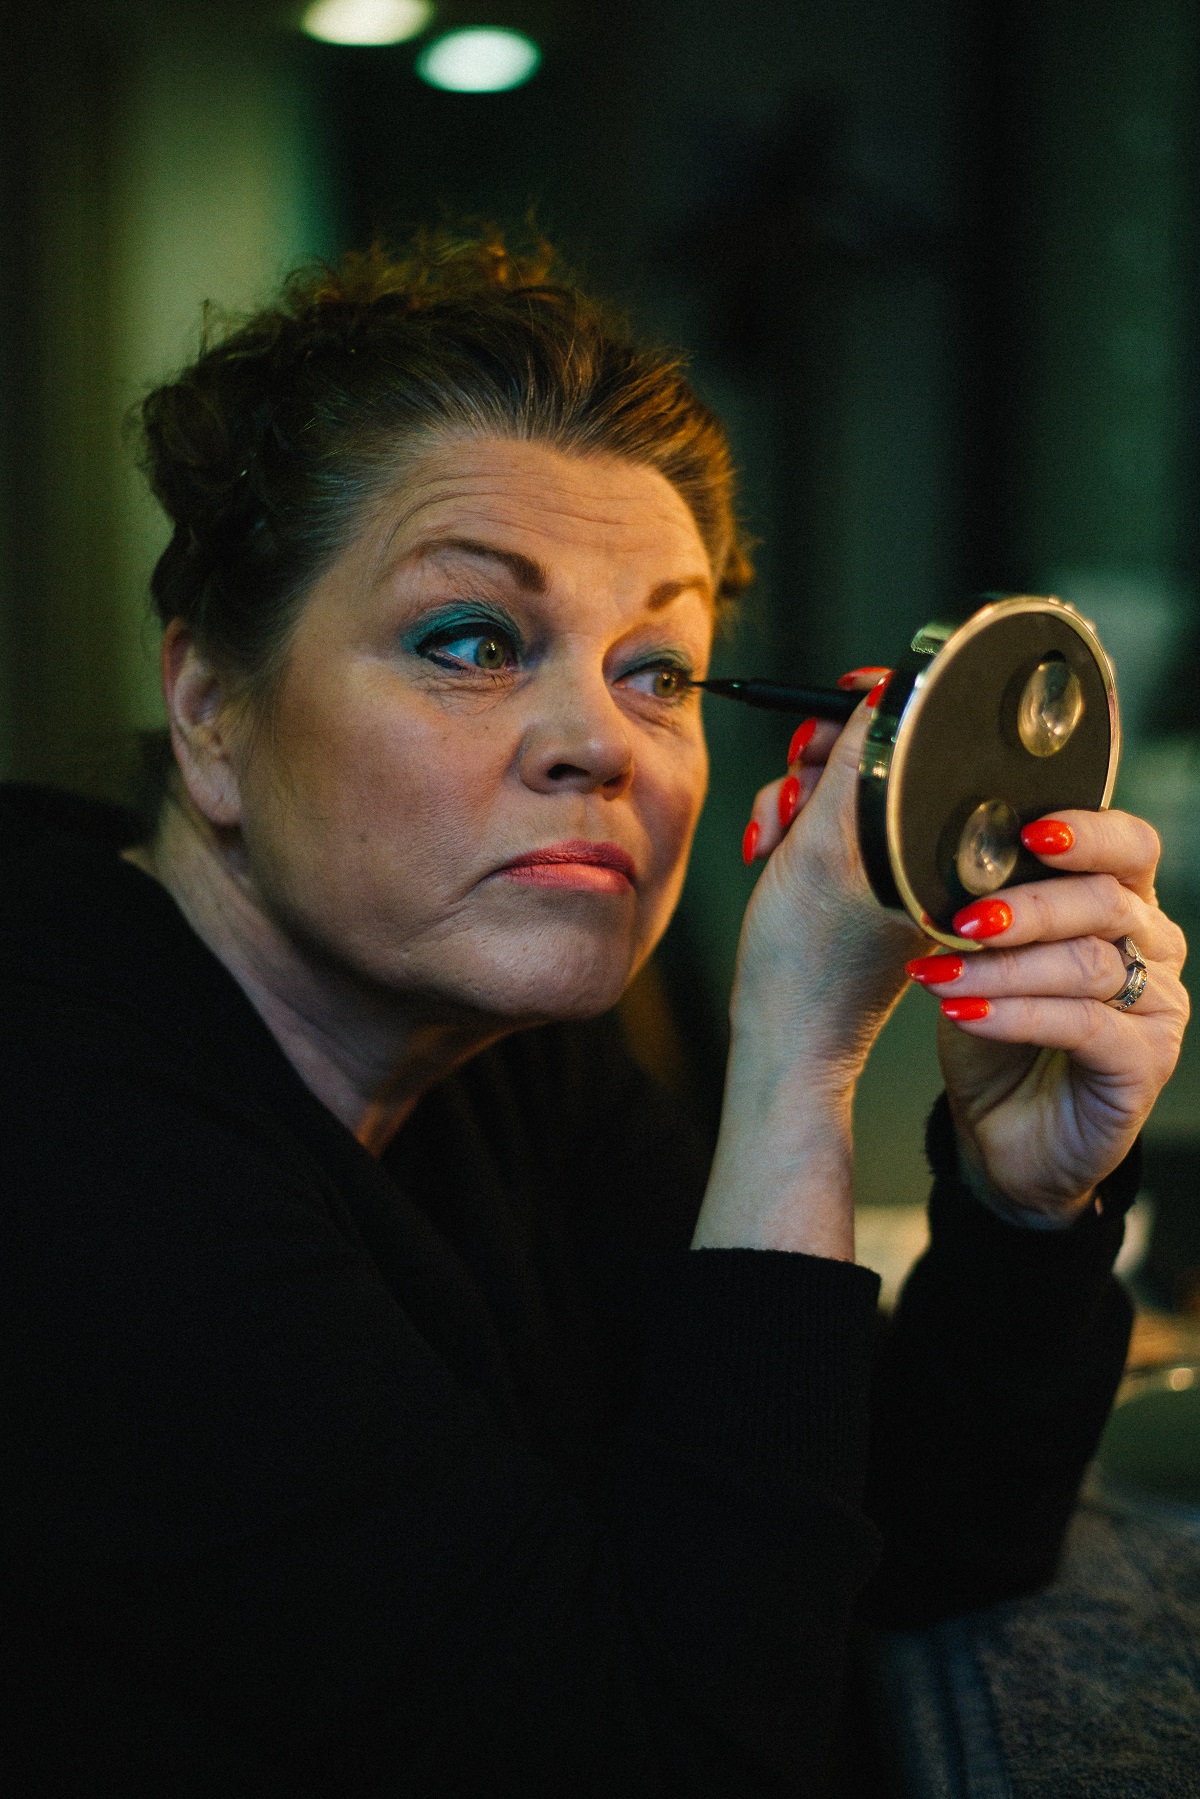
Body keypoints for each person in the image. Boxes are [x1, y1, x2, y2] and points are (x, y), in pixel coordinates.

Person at [2, 231, 1187, 1797]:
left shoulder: (510, 1056)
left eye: (658, 670)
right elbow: (671, 1760)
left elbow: (894, 1549)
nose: (600, 744)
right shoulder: (62, 1127)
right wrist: (799, 1066)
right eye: (473, 642)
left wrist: (1020, 1208)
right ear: (211, 711)